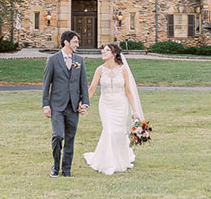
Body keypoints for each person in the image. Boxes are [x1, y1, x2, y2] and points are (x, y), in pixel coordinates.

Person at [83, 42, 144, 175]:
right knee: (109, 131)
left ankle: (121, 158)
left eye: (106, 50)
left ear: (114, 54)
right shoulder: (100, 69)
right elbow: (92, 89)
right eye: (102, 50)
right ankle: (108, 163)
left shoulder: (123, 70)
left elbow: (128, 91)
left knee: (119, 132)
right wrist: (83, 103)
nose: (102, 52)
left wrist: (135, 112)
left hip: (121, 105)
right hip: (105, 105)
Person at [42, 30, 89, 177]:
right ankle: (55, 166)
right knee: (57, 135)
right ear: (66, 42)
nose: (78, 44)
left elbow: (83, 83)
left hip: (73, 107)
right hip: (57, 106)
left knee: (70, 138)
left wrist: (85, 103)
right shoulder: (53, 60)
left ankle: (67, 169)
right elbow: (46, 84)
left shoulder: (79, 61)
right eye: (75, 41)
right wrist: (46, 105)